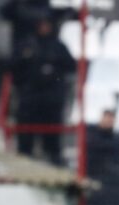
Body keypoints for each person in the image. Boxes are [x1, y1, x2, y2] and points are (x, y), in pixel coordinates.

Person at [12, 17, 76, 166]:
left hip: (51, 96)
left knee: (52, 130)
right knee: (26, 130)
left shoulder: (58, 46)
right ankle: (24, 157)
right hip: (30, 95)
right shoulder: (26, 45)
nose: (44, 28)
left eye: (47, 25)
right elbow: (13, 67)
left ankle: (54, 157)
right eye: (41, 25)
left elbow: (70, 66)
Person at [86, 110, 119, 205]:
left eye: (111, 119)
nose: (109, 122)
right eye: (107, 118)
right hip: (95, 176)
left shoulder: (117, 139)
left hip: (111, 181)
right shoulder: (92, 135)